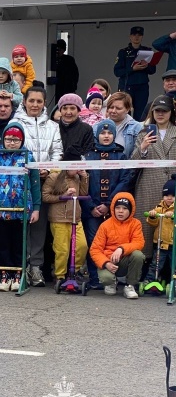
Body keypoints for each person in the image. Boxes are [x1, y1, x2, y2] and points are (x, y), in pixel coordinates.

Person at [0, 122, 41, 292]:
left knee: (18, 244)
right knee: (2, 244)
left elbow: (35, 184)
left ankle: (18, 275)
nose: (12, 142)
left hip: (21, 210)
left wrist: (36, 207)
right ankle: (5, 275)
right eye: (8, 139)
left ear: (21, 140)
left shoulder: (28, 158)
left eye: (16, 139)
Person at [13, 86, 63, 286]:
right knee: (21, 224)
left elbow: (57, 152)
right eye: (31, 100)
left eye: (39, 101)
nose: (35, 105)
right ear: (24, 101)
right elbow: (12, 149)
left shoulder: (53, 126)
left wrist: (48, 170)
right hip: (21, 182)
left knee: (39, 226)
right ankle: (21, 265)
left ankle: (36, 267)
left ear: (44, 103)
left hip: (44, 182)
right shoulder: (15, 123)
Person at [83, 119, 132, 289]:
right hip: (92, 209)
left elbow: (125, 180)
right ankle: (95, 278)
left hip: (113, 208)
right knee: (93, 241)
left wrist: (110, 203)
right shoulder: (89, 154)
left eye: (110, 133)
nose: (106, 136)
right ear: (97, 134)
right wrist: (91, 206)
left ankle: (111, 277)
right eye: (103, 133)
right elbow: (83, 182)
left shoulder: (120, 154)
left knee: (112, 242)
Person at [131, 95, 176, 261]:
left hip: (173, 186)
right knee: (147, 225)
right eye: (157, 110)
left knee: (171, 227)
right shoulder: (144, 132)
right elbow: (133, 163)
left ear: (171, 112)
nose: (161, 114)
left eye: (164, 111)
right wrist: (143, 148)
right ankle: (146, 267)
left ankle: (169, 270)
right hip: (148, 184)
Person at [42, 151, 89, 283]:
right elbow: (45, 196)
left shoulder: (78, 178)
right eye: (75, 166)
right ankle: (60, 276)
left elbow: (84, 193)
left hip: (75, 218)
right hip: (59, 218)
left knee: (82, 246)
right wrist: (64, 195)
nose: (77, 169)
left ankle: (75, 271)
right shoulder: (54, 177)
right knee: (62, 250)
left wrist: (84, 178)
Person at [89, 193, 145, 298]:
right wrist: (106, 263)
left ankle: (130, 286)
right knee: (106, 278)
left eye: (124, 208)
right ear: (113, 208)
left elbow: (139, 243)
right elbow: (95, 250)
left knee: (138, 255)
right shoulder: (105, 225)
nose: (120, 211)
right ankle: (111, 283)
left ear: (131, 210)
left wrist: (121, 249)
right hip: (109, 260)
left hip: (125, 259)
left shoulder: (136, 223)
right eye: (118, 207)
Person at [114, 26, 157, 121]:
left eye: (139, 35)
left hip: (142, 86)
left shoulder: (147, 51)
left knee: (141, 113)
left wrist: (146, 66)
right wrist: (132, 68)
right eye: (134, 35)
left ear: (142, 37)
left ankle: (139, 133)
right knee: (124, 111)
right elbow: (117, 72)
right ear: (130, 36)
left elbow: (153, 70)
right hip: (126, 86)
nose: (136, 37)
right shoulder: (123, 52)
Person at [143, 174, 176, 287]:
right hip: (160, 243)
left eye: (173, 195)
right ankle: (151, 280)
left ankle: (173, 282)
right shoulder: (159, 208)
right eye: (166, 195)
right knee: (156, 264)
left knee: (174, 265)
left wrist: (173, 215)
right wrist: (152, 216)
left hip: (173, 244)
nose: (169, 198)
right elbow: (153, 223)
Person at [103, 92, 142, 158]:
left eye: (118, 108)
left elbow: (138, 155)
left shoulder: (137, 128)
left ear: (127, 109)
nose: (113, 111)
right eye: (111, 107)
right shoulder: (97, 126)